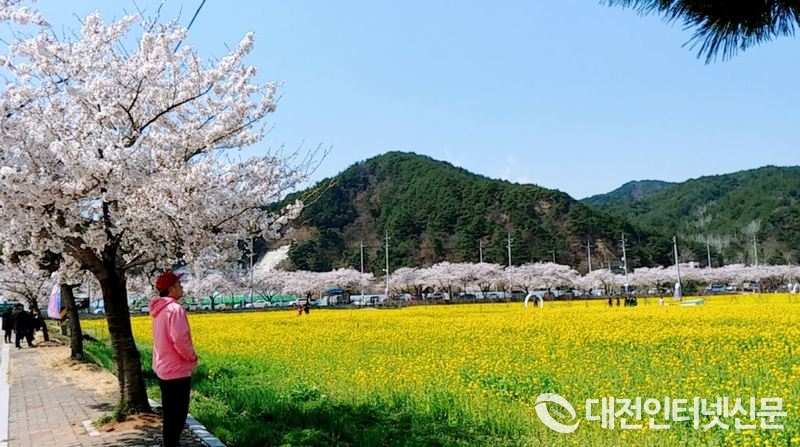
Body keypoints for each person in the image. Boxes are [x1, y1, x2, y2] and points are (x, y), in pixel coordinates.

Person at [150, 271, 198, 447]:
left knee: (170, 414)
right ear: (171, 289)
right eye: (179, 284)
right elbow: (179, 339)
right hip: (177, 369)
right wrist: (192, 357)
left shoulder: (159, 310)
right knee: (178, 415)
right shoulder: (175, 309)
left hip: (163, 368)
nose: (182, 287)